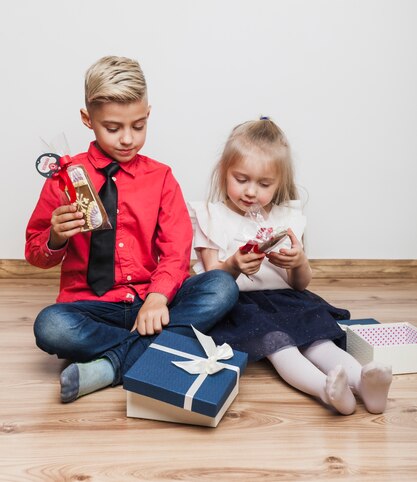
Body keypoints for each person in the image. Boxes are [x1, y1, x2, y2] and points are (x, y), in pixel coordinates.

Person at [26, 56, 238, 403]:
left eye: (138, 126)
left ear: (148, 114)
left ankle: (110, 365)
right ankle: (154, 347)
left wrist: (157, 297)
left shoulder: (161, 177)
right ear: (87, 120)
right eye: (113, 128)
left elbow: (175, 250)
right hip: (93, 306)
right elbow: (36, 254)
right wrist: (56, 237)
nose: (127, 139)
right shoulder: (66, 178)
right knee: (50, 326)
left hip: (152, 300)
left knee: (222, 286)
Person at [189, 117, 392, 415]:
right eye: (241, 179)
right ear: (223, 172)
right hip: (240, 304)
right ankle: (327, 391)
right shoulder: (210, 216)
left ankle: (365, 385)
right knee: (280, 347)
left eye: (264, 184)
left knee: (319, 341)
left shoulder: (286, 219)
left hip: (287, 300)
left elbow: (300, 284)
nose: (250, 192)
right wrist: (234, 264)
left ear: (279, 183)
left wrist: (299, 262)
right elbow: (212, 279)